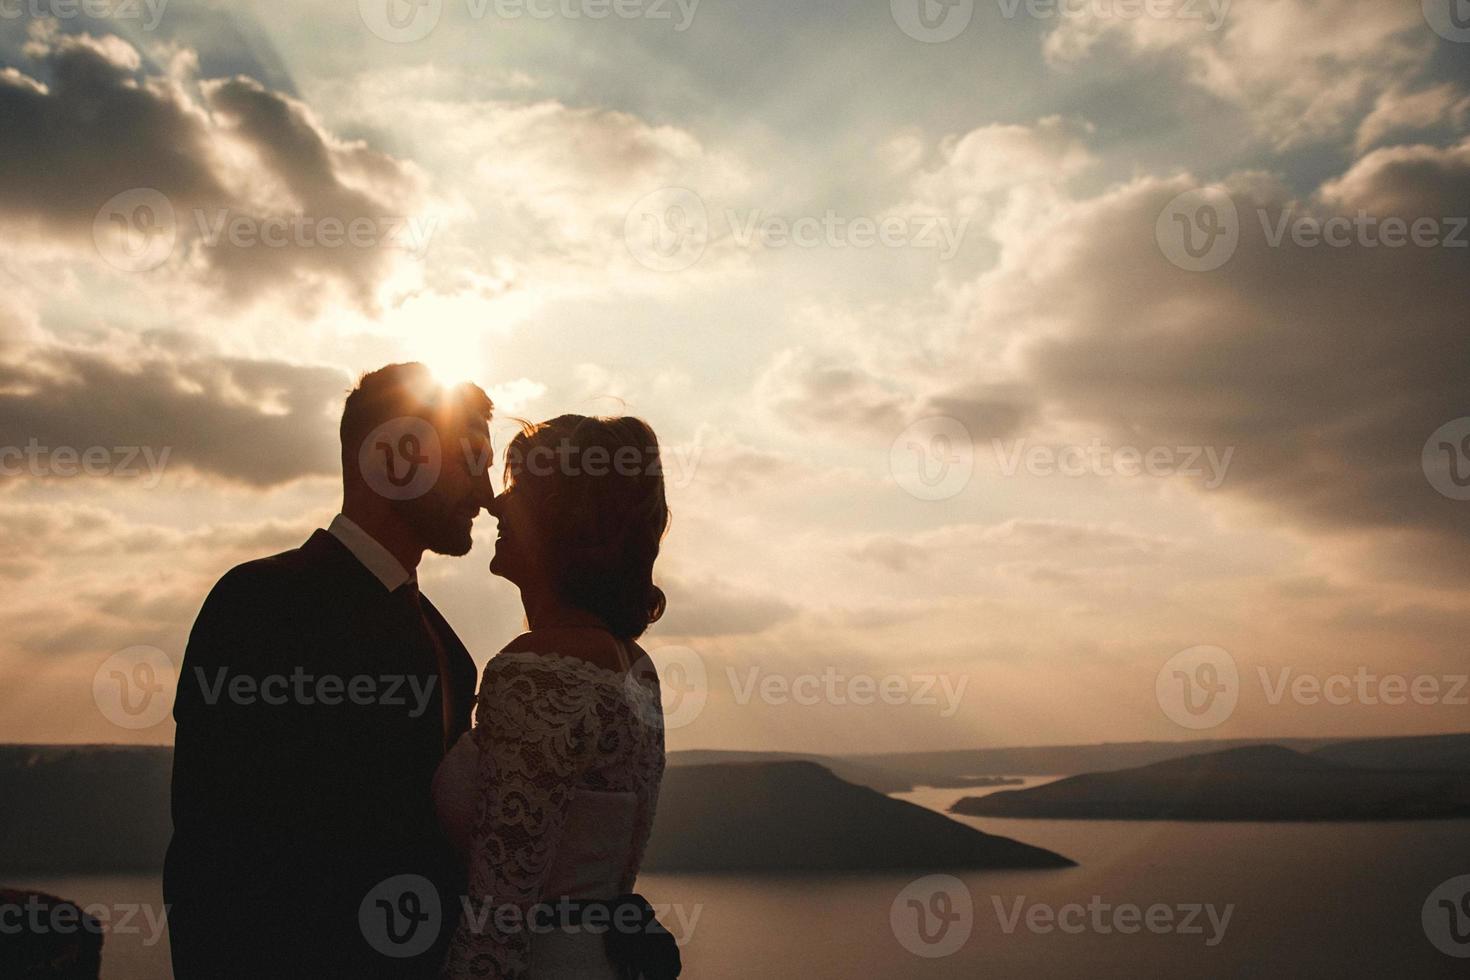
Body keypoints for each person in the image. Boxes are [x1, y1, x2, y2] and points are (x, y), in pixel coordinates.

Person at [164, 363, 494, 978]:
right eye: (470, 459)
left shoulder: (449, 648)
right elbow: (211, 856)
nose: (487, 493)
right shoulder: (258, 605)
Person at [434, 415, 674, 979]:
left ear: (564, 521)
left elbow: (498, 916)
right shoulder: (635, 668)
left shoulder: (537, 668)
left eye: (517, 491)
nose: (494, 504)